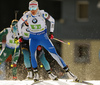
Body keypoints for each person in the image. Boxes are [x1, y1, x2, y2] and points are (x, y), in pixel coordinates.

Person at [18, 0, 78, 82]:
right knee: (33, 55)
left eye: (34, 7)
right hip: (33, 38)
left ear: (37, 7)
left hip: (43, 38)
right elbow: (19, 23)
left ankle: (69, 72)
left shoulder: (42, 13)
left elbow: (52, 20)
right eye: (30, 8)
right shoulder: (27, 15)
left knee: (54, 54)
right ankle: (36, 74)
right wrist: (20, 35)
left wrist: (51, 32)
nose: (32, 10)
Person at [19, 11, 58, 80]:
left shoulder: (35, 23)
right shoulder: (21, 26)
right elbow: (16, 31)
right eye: (25, 19)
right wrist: (18, 37)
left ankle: (50, 74)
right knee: (26, 55)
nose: (27, 21)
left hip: (35, 41)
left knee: (42, 57)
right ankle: (30, 73)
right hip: (26, 42)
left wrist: (48, 34)